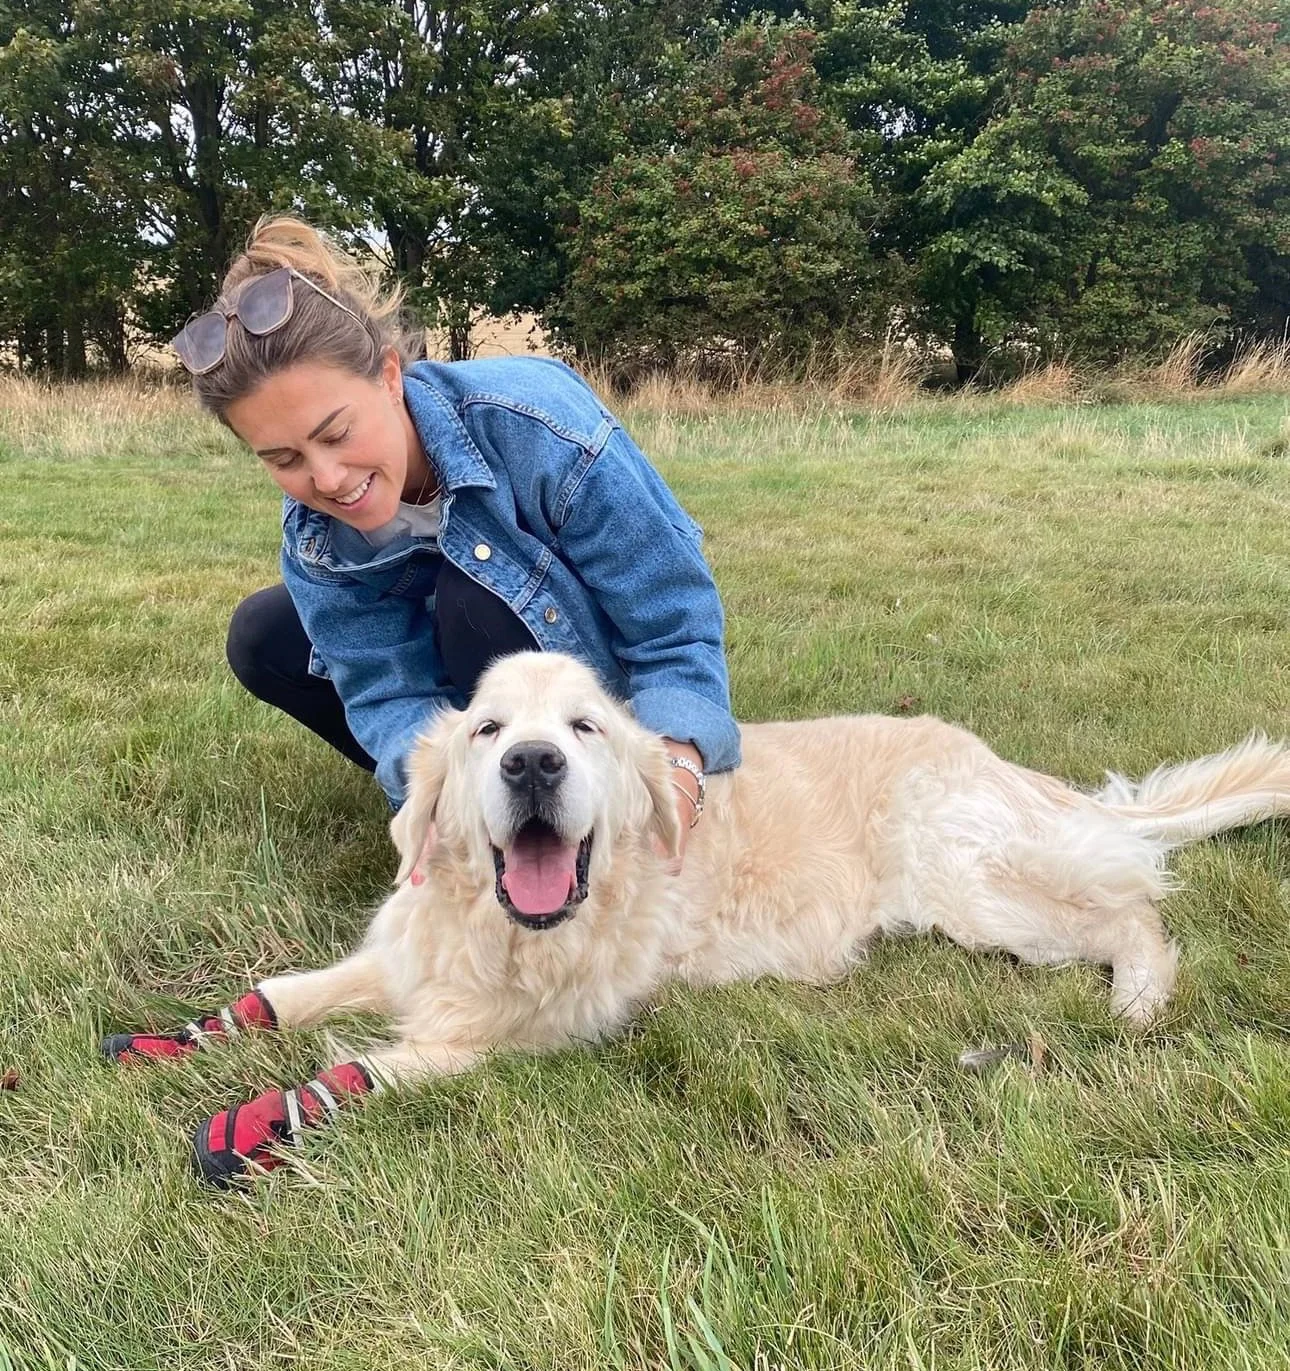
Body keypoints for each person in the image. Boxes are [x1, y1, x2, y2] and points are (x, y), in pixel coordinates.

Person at [174, 215, 740, 873]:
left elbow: (672, 626)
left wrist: (673, 766)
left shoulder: (542, 426)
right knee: (264, 633)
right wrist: (427, 800)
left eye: (335, 433)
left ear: (390, 377)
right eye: (282, 456)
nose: (326, 479)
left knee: (470, 597)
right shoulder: (314, 541)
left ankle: (551, 787)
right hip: (475, 719)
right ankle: (476, 799)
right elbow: (385, 692)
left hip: (586, 701)